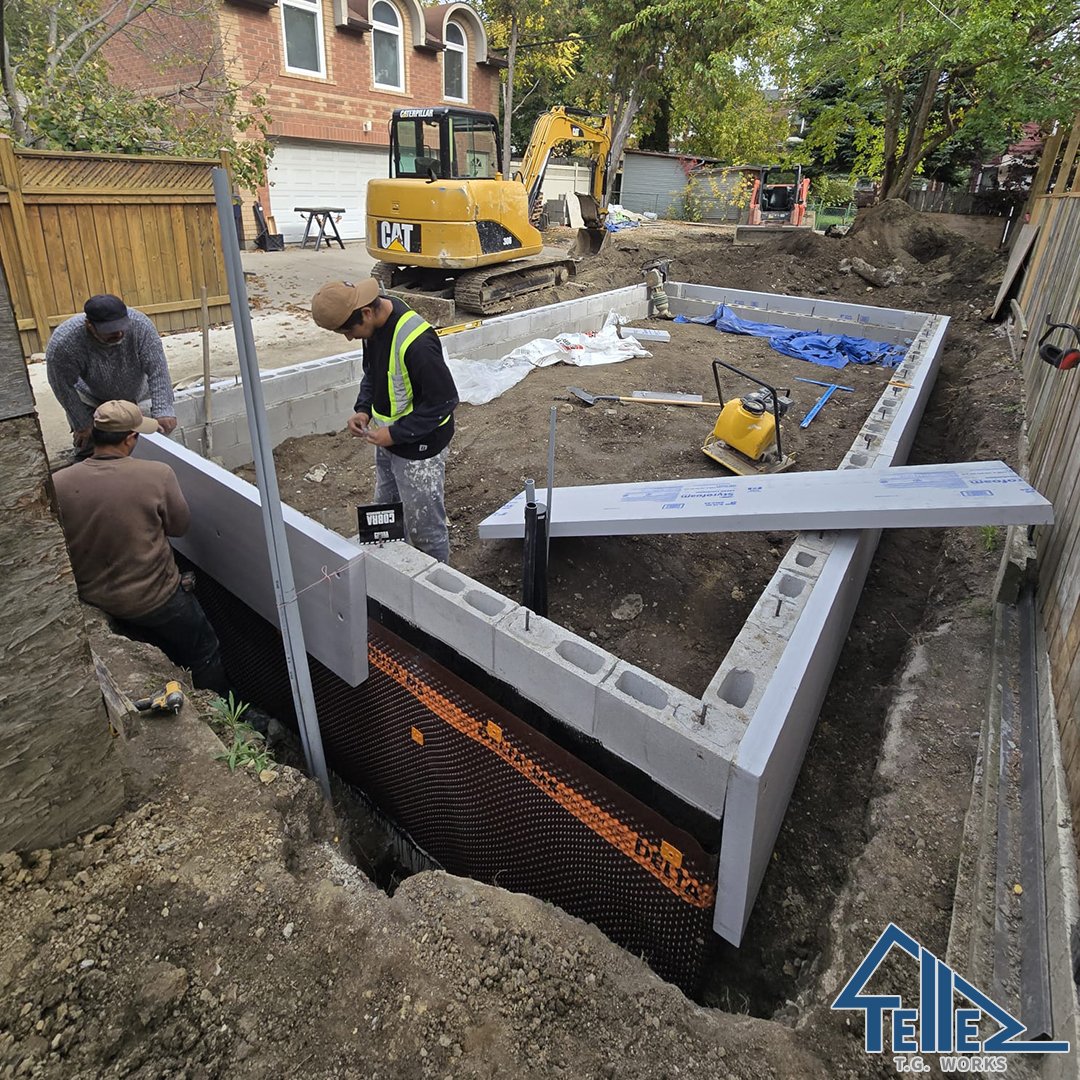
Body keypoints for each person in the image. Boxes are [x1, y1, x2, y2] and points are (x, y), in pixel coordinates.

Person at [52, 400, 228, 693]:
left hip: (97, 599)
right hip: (158, 599)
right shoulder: (157, 475)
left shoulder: (59, 483)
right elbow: (179, 527)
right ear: (130, 439)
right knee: (205, 651)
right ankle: (221, 707)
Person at [311, 278, 459, 563]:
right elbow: (373, 373)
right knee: (386, 513)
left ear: (366, 312)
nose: (349, 338)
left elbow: (445, 401)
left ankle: (437, 587)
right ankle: (394, 570)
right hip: (388, 440)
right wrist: (363, 409)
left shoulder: (417, 342)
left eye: (348, 331)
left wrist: (396, 433)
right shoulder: (373, 328)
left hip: (420, 449)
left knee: (425, 531)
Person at [46, 294, 177, 459]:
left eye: (122, 327)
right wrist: (82, 423)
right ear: (89, 325)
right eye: (110, 331)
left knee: (144, 444)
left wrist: (164, 409)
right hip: (91, 397)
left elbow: (157, 369)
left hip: (136, 393)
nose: (119, 333)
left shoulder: (141, 326)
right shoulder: (64, 342)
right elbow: (62, 386)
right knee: (90, 447)